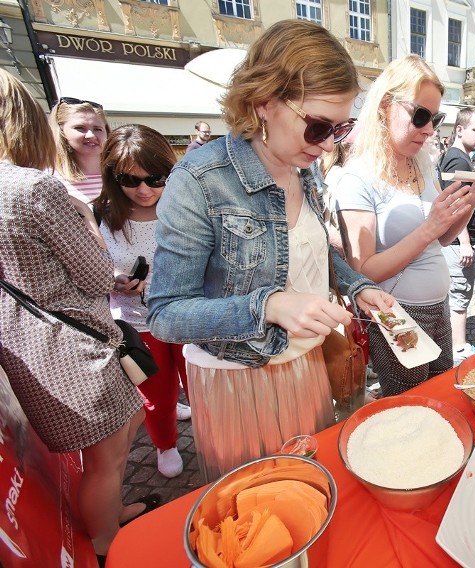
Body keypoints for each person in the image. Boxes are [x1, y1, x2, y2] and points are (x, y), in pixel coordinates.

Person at [147, 20, 394, 482]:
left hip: (306, 364)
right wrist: (270, 306)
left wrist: (358, 287)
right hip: (238, 377)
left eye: (338, 129)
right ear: (263, 103)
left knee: (311, 488)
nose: (325, 147)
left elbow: (309, 250)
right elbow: (165, 314)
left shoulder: (304, 168)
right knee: (260, 511)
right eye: (318, 126)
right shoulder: (201, 179)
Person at [0, 69, 154, 563]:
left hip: (29, 344)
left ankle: (109, 519)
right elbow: (92, 275)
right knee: (106, 458)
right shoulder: (34, 190)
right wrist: (86, 222)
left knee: (106, 451)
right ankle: (108, 541)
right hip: (74, 348)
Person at [336, 54, 475, 396]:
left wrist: (473, 199)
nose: (429, 128)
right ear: (386, 105)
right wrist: (430, 226)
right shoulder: (357, 176)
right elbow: (362, 271)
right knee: (410, 405)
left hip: (438, 305)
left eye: (435, 117)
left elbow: (442, 237)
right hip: (396, 313)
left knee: (442, 393)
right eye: (421, 115)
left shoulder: (422, 163)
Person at [93, 124, 190, 479]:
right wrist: (115, 282)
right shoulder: (101, 215)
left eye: (155, 178)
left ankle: (198, 429)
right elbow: (88, 269)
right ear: (112, 177)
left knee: (198, 385)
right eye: (130, 180)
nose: (145, 189)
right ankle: (165, 444)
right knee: (157, 394)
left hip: (186, 317)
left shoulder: (185, 207)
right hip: (137, 323)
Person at [436, 107, 475, 361]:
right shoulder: (459, 160)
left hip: (456, 240)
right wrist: (465, 242)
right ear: (459, 129)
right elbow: (456, 205)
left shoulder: (460, 157)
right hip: (458, 242)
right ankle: (459, 349)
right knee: (460, 295)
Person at [49, 97, 111, 203]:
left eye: (97, 129)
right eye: (80, 128)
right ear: (61, 131)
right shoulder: (49, 179)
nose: (91, 135)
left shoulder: (123, 174)